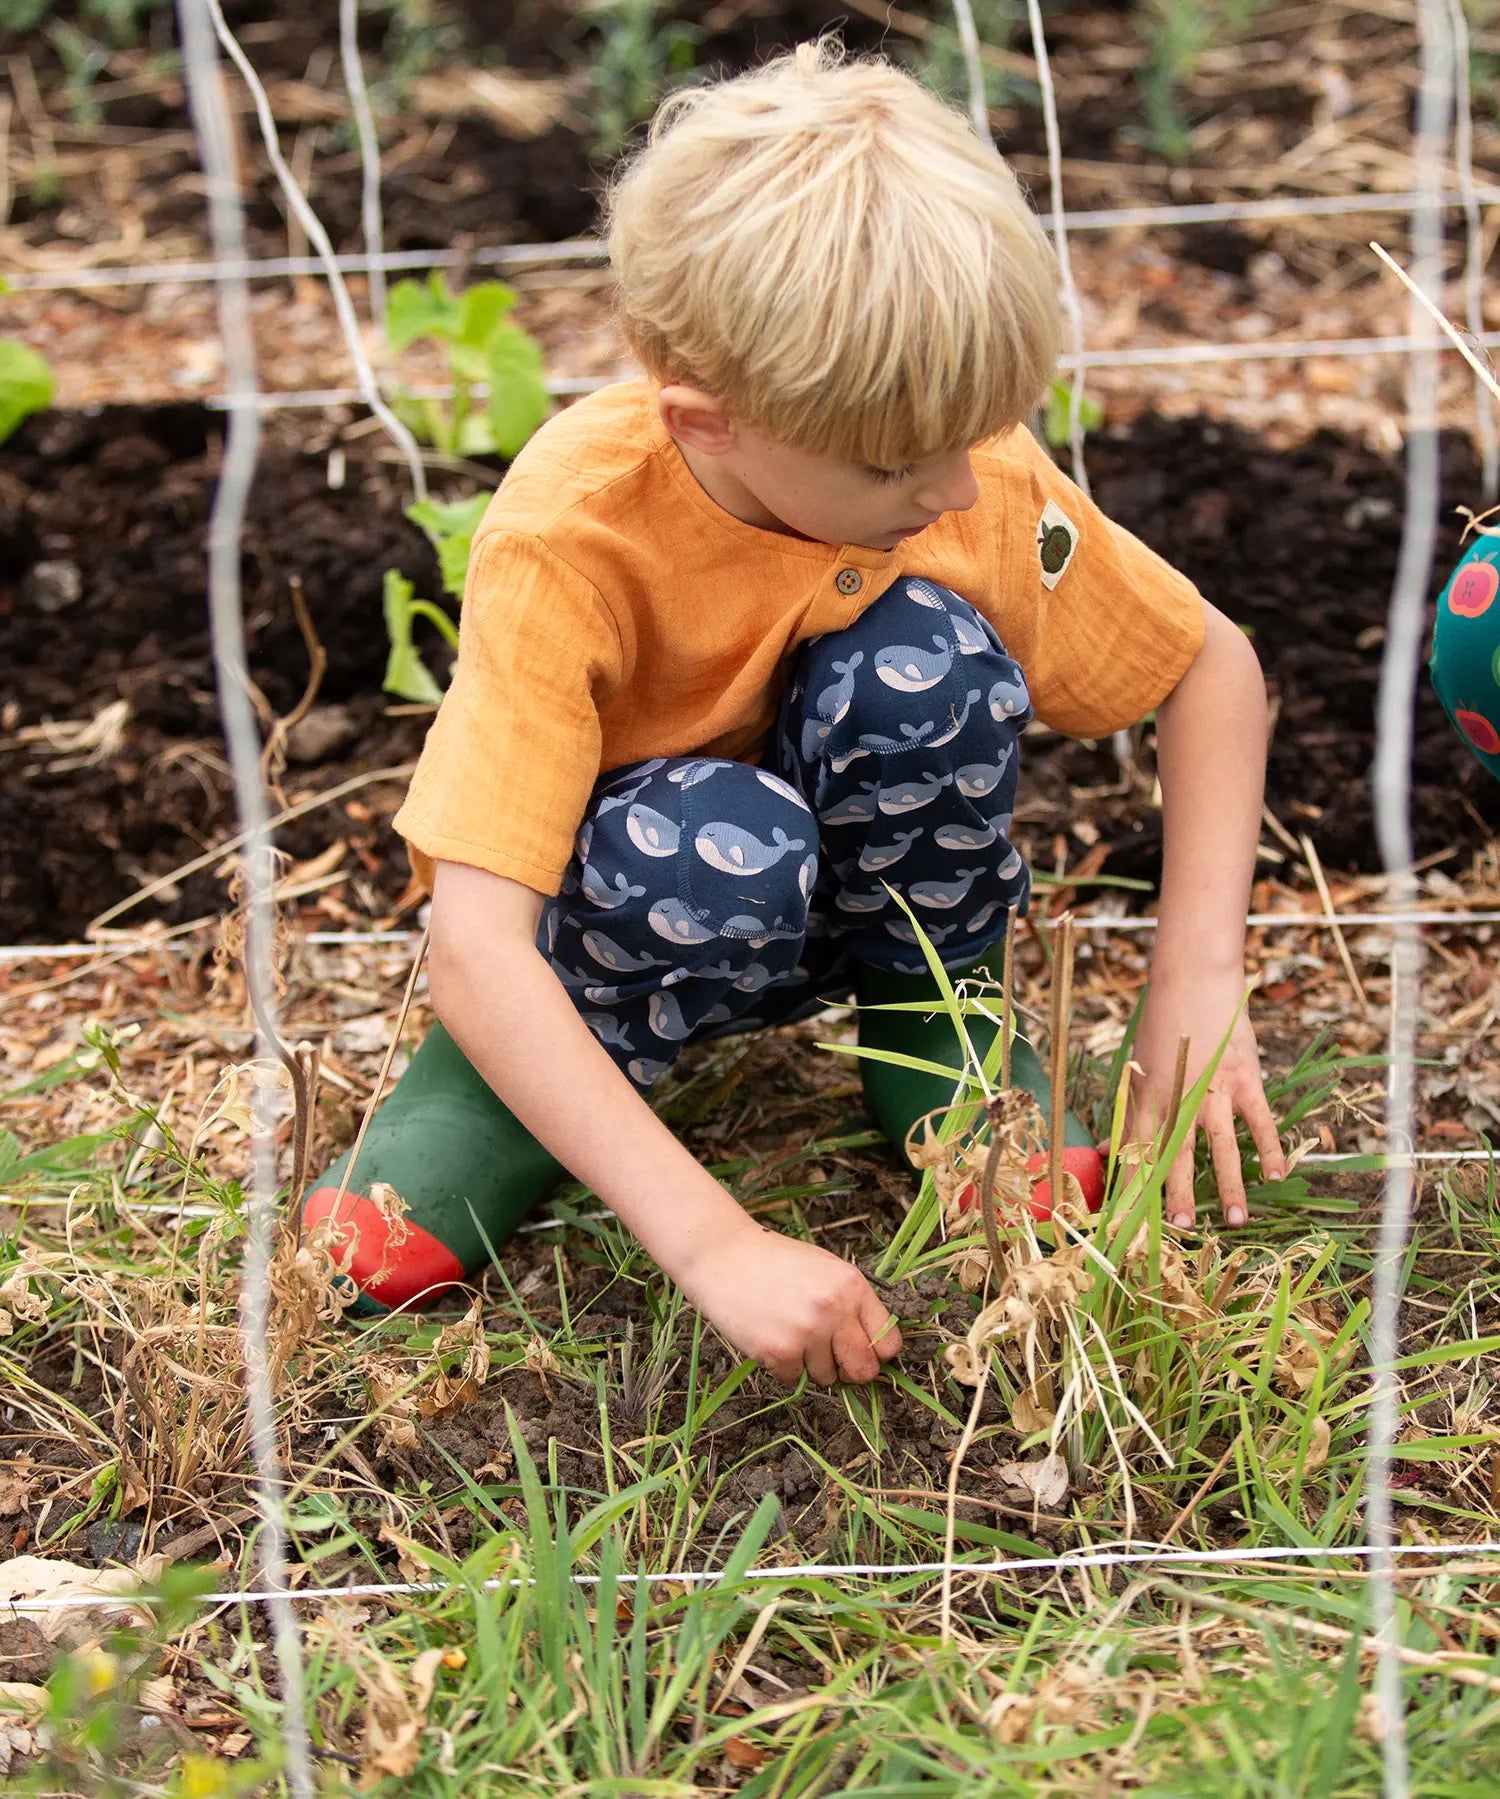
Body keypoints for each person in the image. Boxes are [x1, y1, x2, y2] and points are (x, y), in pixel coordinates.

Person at [303, 39, 1287, 1385]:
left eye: (976, 434)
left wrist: (1198, 984)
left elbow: (1208, 666)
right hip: (646, 905)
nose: (952, 488)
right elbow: (475, 942)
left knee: (926, 657)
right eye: (895, 462)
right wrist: (713, 1244)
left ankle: (936, 1028)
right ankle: (494, 1101)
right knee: (708, 835)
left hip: (884, 899)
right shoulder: (573, 532)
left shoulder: (954, 462)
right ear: (708, 424)